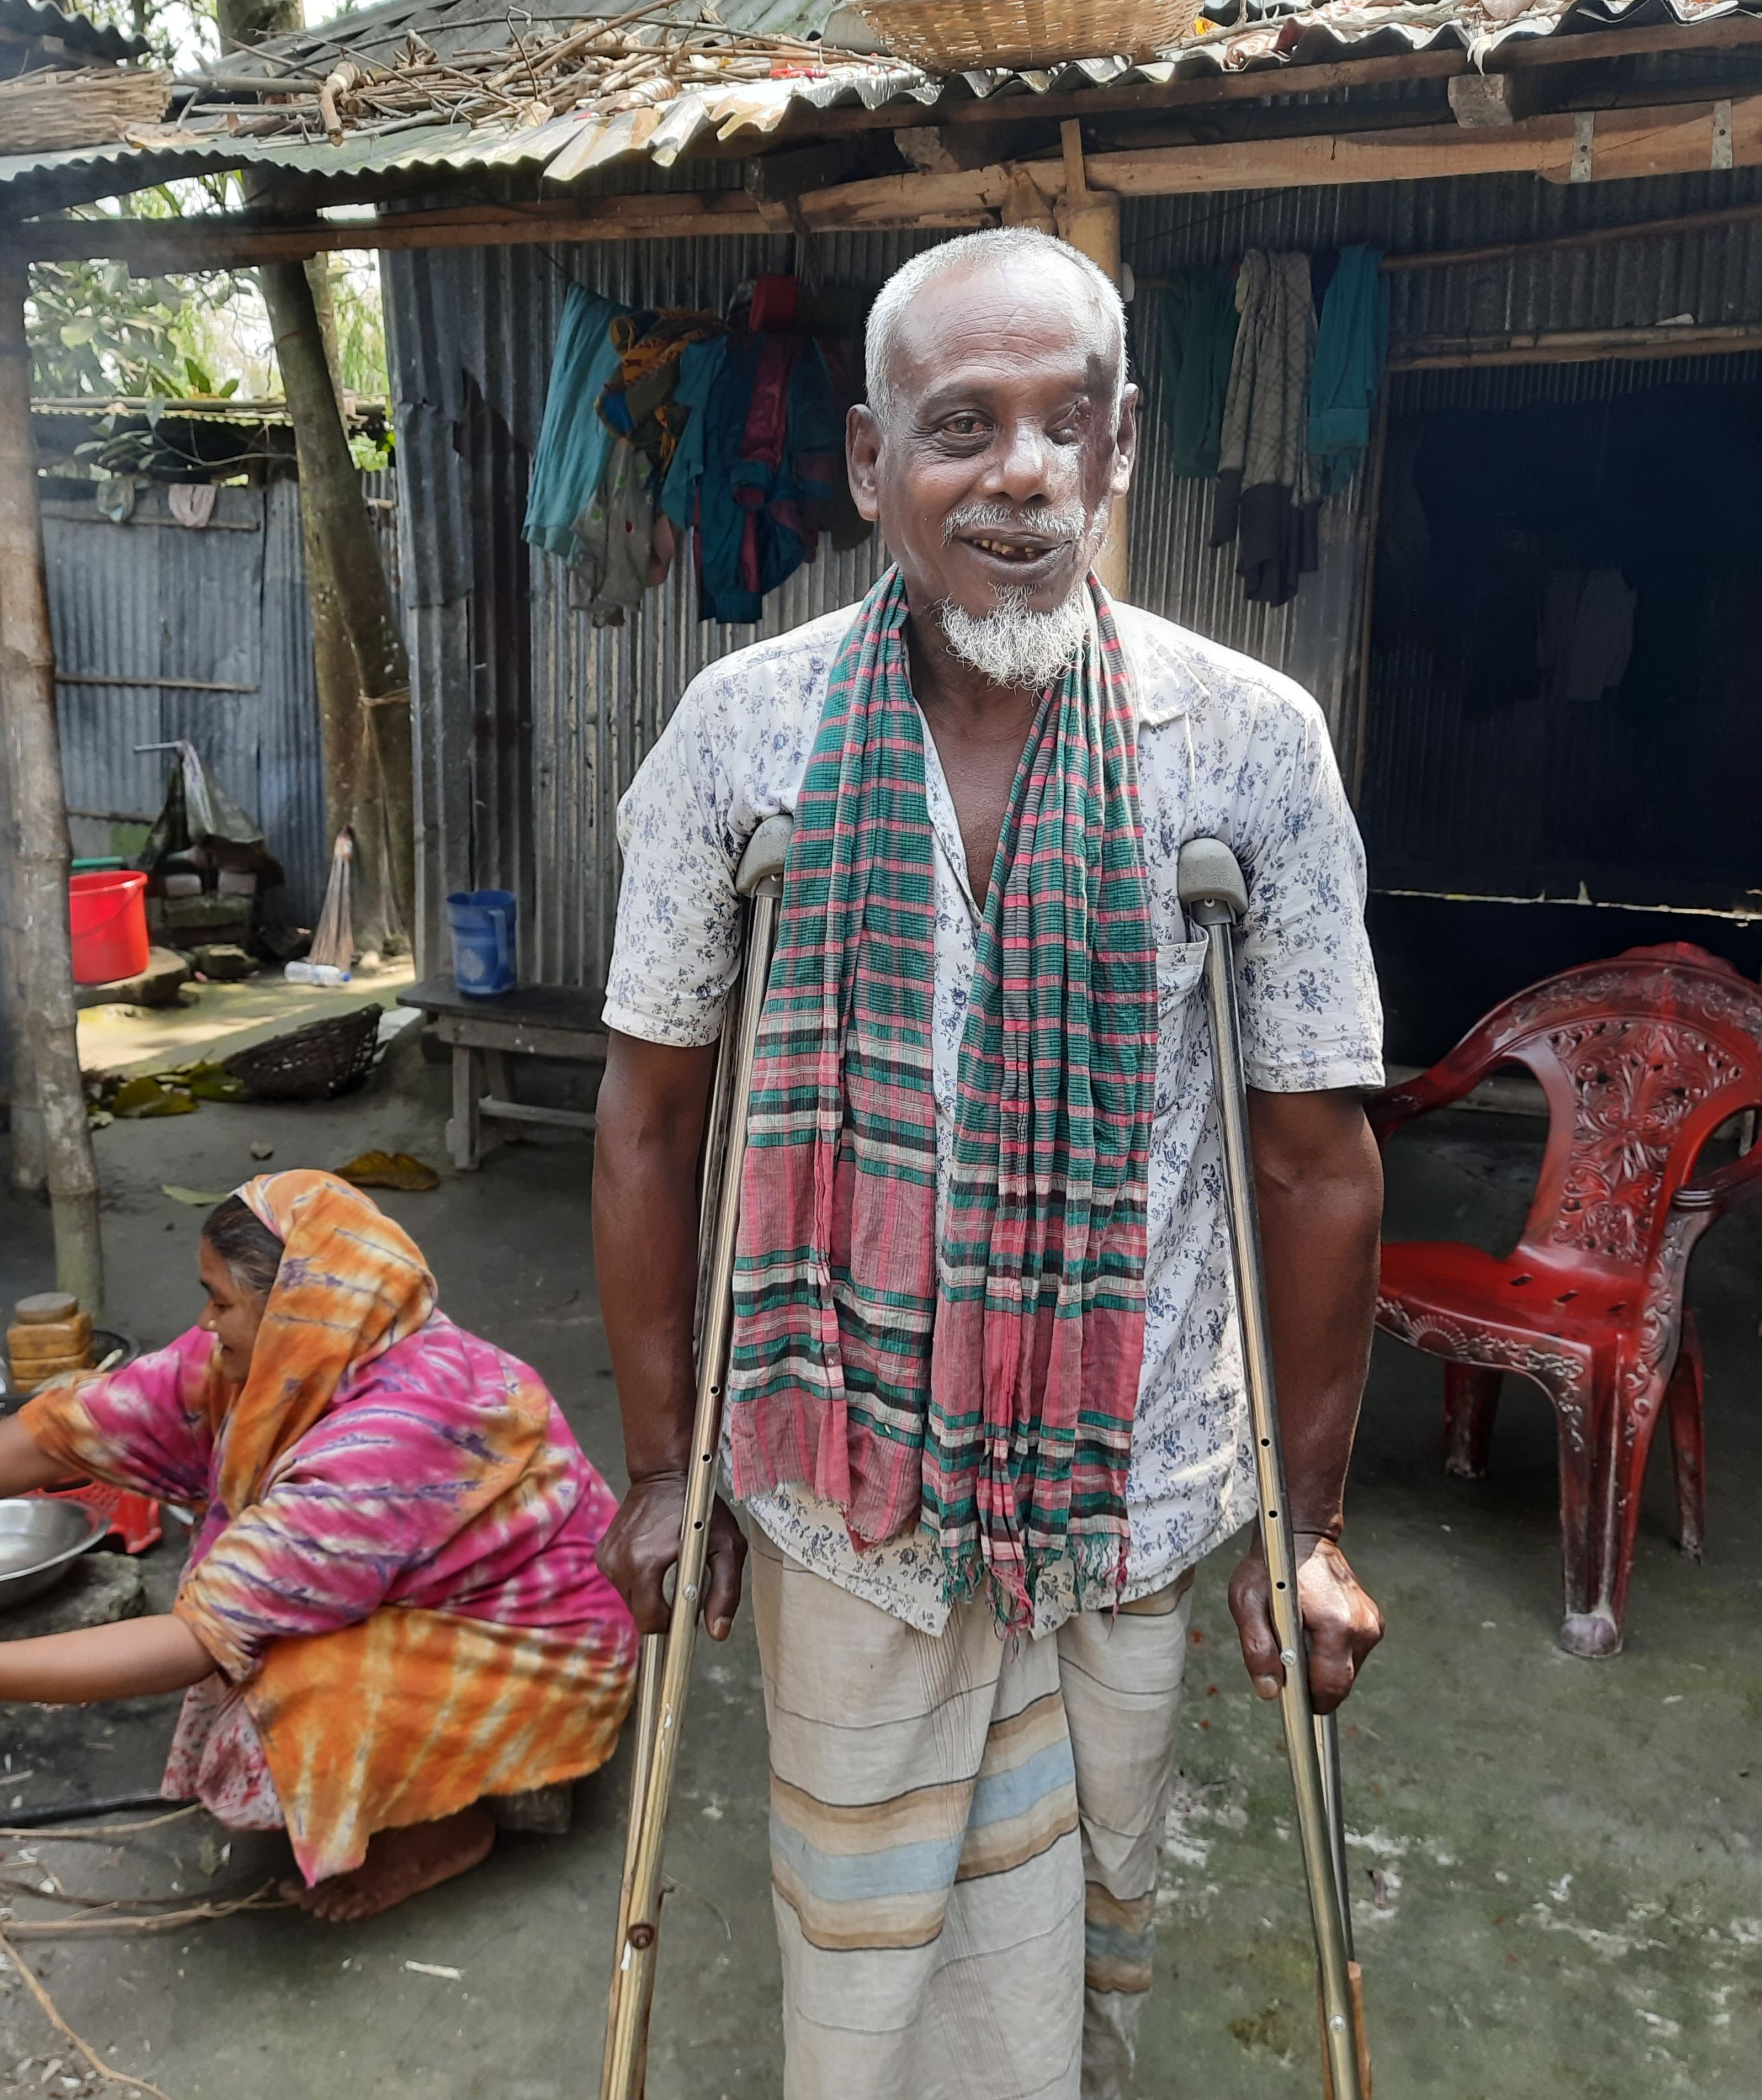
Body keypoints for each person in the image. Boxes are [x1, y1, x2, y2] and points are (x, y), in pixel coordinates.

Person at [591, 226, 1388, 2099]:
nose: (1017, 474)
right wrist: (657, 1465)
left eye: (1063, 425)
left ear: (1122, 449)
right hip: (833, 1480)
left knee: (1090, 1935)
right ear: (872, 462)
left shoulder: (1250, 749)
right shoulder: (748, 734)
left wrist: (1312, 1524)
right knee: (857, 1946)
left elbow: (1316, 1163)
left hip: (1126, 1488)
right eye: (961, 425)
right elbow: (647, 1121)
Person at [0, 1170, 638, 1921]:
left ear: (292, 1308)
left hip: (545, 1641)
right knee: (252, 1646)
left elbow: (195, 1641)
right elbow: (71, 1428)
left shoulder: (384, 1449)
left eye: (222, 1301)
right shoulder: (305, 1346)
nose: (205, 1320)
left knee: (284, 1691)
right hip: (448, 1582)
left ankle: (452, 1829)